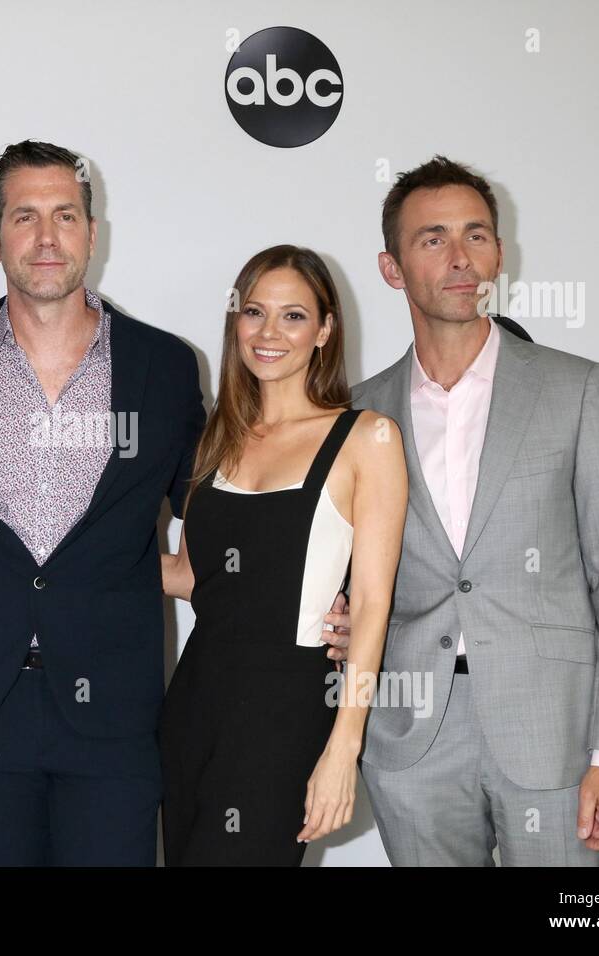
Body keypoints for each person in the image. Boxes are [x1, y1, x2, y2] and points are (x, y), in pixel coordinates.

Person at [329, 155, 599, 865]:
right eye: (433, 238)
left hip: (556, 733)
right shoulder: (355, 412)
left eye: (476, 236)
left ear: (499, 254)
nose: (458, 257)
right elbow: (345, 573)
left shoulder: (576, 390)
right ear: (392, 267)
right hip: (410, 735)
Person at [0, 140, 205, 865]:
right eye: (24, 216)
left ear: (92, 235)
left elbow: (224, 523)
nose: (45, 238)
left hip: (114, 712)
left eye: (65, 216)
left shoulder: (163, 366)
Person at [159, 245, 407, 865]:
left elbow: (373, 603)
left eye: (293, 316)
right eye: (254, 312)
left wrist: (343, 747)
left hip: (287, 712)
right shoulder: (217, 437)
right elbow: (190, 576)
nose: (269, 333)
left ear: (325, 329)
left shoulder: (366, 437)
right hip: (194, 702)